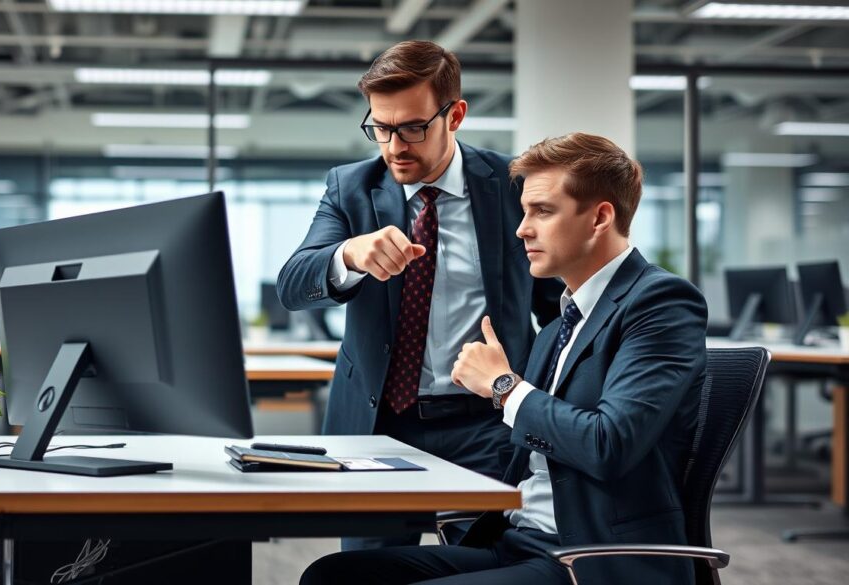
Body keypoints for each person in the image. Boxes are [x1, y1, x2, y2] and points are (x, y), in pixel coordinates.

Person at [300, 132, 709, 585]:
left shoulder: (660, 303)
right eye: (525, 211)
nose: (522, 229)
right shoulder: (559, 324)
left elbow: (607, 445)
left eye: (543, 211)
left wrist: (504, 386)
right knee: (333, 576)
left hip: (587, 556)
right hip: (517, 542)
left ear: (600, 218)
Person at [276, 40, 562, 550]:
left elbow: (559, 306)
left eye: (412, 128)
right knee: (366, 575)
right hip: (379, 422)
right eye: (380, 128)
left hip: (485, 423)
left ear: (455, 115)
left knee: (489, 569)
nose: (394, 147)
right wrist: (349, 255)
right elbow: (293, 284)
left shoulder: (513, 185)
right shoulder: (350, 188)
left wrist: (535, 395)